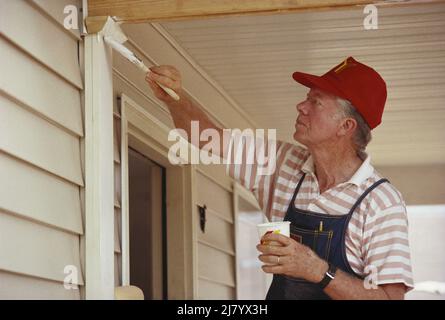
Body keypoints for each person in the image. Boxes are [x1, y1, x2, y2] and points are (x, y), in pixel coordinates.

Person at [145, 56, 413, 300]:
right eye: (306, 98)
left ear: (346, 126)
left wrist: (318, 270)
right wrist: (174, 96)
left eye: (315, 101)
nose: (301, 106)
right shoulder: (283, 163)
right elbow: (206, 137)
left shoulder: (381, 203)